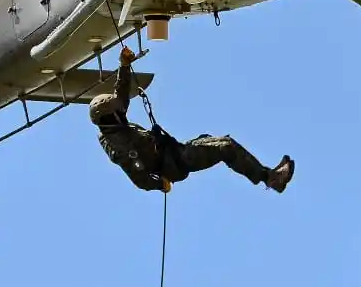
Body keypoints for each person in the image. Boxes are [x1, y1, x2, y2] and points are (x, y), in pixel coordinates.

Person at [88, 44, 296, 194]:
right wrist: (160, 184)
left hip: (176, 152)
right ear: (111, 116)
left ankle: (266, 174)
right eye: (118, 110)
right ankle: (270, 178)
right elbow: (140, 179)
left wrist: (124, 65)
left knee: (217, 141)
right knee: (226, 146)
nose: (122, 108)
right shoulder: (120, 148)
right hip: (175, 162)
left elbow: (121, 95)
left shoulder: (112, 122)